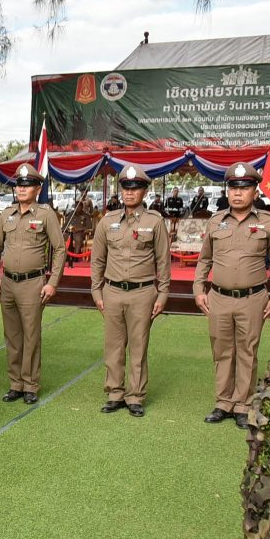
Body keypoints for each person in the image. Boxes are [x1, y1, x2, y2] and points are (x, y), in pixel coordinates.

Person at [194, 162, 270, 430]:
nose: (237, 193)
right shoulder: (215, 221)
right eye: (233, 187)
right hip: (219, 297)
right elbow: (204, 259)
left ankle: (243, 405)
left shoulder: (267, 222)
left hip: (253, 298)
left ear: (255, 191)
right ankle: (223, 402)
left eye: (244, 188)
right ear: (228, 190)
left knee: (247, 351)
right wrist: (198, 289)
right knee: (222, 350)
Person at [90, 165, 171, 418]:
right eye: (126, 187)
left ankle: (135, 396)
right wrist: (97, 292)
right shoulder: (107, 221)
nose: (129, 192)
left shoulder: (154, 221)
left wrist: (162, 294)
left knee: (138, 346)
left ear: (144, 191)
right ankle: (115, 392)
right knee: (113, 346)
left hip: (142, 293)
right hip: (112, 291)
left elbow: (163, 261)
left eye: (135, 188)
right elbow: (97, 260)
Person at [0, 163, 66, 405]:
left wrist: (52, 282)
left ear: (37, 188)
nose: (21, 189)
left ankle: (30, 384)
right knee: (12, 336)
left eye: (27, 185)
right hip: (8, 282)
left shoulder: (45, 214)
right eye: (19, 185)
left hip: (33, 283)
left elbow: (60, 249)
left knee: (31, 335)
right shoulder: (7, 214)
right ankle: (15, 384)